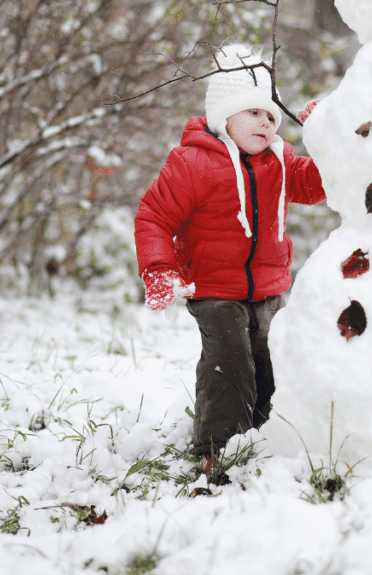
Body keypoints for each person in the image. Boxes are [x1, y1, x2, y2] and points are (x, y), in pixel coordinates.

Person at [134, 46, 326, 463]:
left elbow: (317, 184)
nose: (266, 122)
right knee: (230, 362)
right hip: (213, 288)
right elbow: (153, 216)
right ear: (224, 116)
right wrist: (159, 268)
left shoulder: (280, 162)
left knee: (269, 361)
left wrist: (331, 138)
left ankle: (262, 438)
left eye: (272, 116)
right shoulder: (193, 163)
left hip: (267, 288)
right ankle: (216, 448)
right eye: (254, 113)